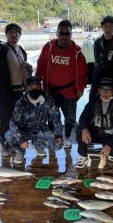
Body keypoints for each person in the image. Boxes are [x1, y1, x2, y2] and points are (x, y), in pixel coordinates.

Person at [36, 19, 87, 148]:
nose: (64, 36)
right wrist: (37, 84)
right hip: (50, 90)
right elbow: (40, 65)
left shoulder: (77, 52)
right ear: (57, 34)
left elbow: (82, 74)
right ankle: (54, 136)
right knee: (51, 117)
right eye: (61, 33)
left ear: (71, 35)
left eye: (67, 33)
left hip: (69, 91)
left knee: (70, 118)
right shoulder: (48, 47)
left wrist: (80, 89)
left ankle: (68, 137)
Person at [0, 23, 32, 157]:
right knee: (5, 119)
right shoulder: (0, 49)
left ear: (20, 35)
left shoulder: (21, 50)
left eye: (16, 32)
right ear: (6, 34)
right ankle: (4, 144)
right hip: (5, 91)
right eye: (11, 32)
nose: (14, 35)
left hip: (19, 91)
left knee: (18, 119)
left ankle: (15, 143)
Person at [5, 76, 63, 164]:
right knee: (9, 135)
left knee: (58, 144)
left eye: (37, 87)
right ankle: (20, 151)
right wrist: (20, 139)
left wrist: (58, 134)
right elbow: (13, 123)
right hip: (24, 130)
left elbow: (56, 118)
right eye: (31, 87)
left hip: (41, 129)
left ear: (40, 87)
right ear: (26, 88)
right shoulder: (21, 103)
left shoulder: (49, 99)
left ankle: (38, 144)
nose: (34, 89)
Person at [75, 77, 113, 168]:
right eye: (103, 89)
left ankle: (110, 154)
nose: (105, 92)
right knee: (79, 130)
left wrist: (109, 145)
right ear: (99, 90)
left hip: (110, 136)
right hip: (95, 134)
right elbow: (82, 118)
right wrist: (84, 129)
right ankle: (83, 156)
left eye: (109, 89)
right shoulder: (92, 103)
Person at [90, 15, 113, 99]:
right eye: (106, 26)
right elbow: (97, 61)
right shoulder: (97, 42)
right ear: (102, 27)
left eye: (111, 26)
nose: (108, 29)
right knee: (93, 104)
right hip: (98, 79)